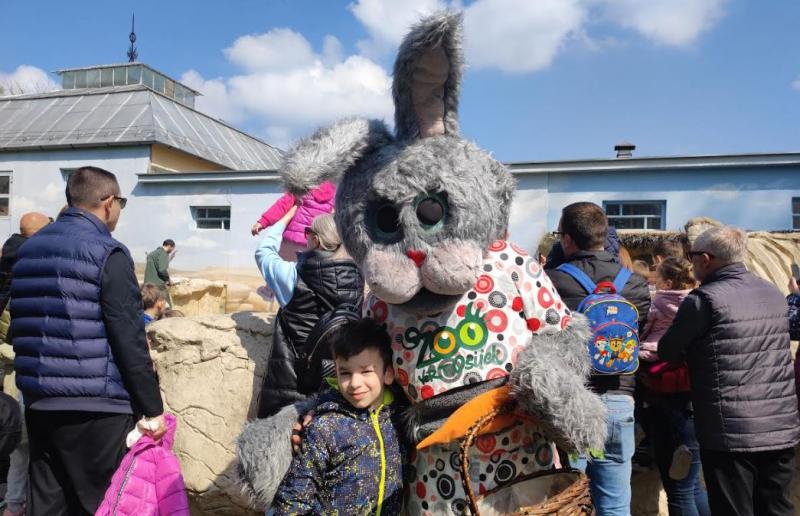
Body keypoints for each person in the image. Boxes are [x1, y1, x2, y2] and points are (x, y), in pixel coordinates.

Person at [9, 166, 166, 515]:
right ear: (108, 202)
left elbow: (20, 324)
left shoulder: (28, 252)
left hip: (40, 401)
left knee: (48, 505)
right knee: (103, 505)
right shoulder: (109, 252)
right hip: (98, 407)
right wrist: (153, 408)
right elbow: (128, 336)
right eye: (121, 202)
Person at [659, 226, 800, 516]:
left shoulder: (704, 300)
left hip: (730, 432)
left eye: (692, 255)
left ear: (706, 258)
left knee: (733, 509)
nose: (690, 261)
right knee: (777, 507)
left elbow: (668, 351)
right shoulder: (772, 292)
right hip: (780, 428)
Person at [546, 202, 650, 515]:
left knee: (570, 500)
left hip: (571, 400)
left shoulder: (552, 281)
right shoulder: (635, 284)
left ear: (566, 239)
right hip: (620, 398)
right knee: (616, 502)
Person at [270, 318, 403, 515]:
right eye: (345, 373)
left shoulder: (398, 419)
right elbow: (294, 499)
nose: (355, 383)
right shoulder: (325, 428)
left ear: (388, 374)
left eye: (366, 371)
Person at [255, 206, 363, 417]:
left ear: (315, 240)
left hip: (291, 385)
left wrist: (284, 220)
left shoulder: (292, 275)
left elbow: (263, 252)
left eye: (308, 234)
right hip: (338, 386)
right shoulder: (359, 279)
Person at [639, 257, 709, 516]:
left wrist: (639, 350)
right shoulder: (702, 302)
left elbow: (645, 332)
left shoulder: (657, 302)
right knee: (694, 487)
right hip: (694, 394)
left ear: (667, 282)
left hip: (664, 393)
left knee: (678, 492)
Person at [251, 182, 336, 262]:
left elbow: (281, 206)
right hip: (313, 243)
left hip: (290, 242)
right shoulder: (335, 196)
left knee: (282, 271)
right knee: (307, 275)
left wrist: (263, 222)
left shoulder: (301, 188)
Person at [144, 239, 175, 306]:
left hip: (147, 285)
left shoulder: (152, 254)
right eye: (172, 248)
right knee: (166, 306)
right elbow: (162, 270)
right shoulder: (163, 253)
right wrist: (168, 280)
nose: (172, 250)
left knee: (150, 306)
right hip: (158, 285)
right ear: (169, 246)